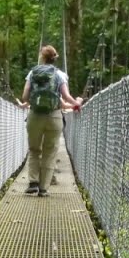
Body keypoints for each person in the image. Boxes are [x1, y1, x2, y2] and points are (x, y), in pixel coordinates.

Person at [18, 45, 82, 197]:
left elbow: (25, 97)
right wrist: (76, 103)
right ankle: (44, 188)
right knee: (50, 152)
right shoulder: (60, 75)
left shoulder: (33, 72)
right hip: (54, 116)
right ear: (55, 58)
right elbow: (66, 97)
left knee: (34, 150)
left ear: (42, 57)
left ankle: (33, 182)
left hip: (35, 115)